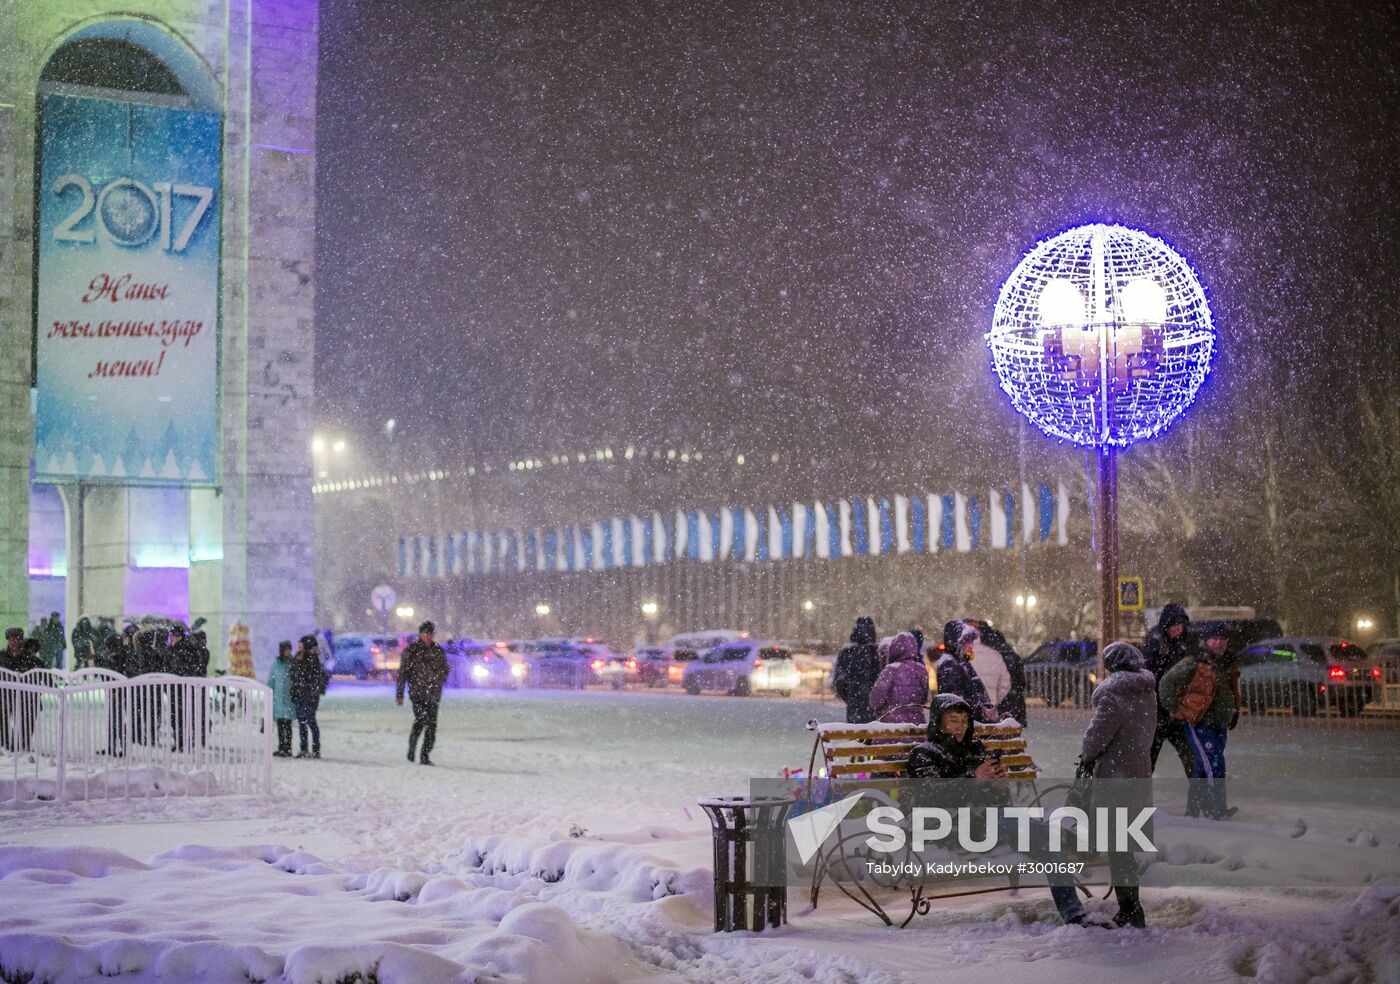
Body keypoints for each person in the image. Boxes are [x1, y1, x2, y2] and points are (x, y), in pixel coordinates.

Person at [909, 693, 1105, 926]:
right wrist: (973, 778)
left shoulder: (975, 749)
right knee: (1015, 822)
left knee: (1043, 842)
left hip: (989, 824)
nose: (960, 727)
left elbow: (996, 802)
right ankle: (1066, 838)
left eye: (963, 721)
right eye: (953, 720)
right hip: (949, 827)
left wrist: (999, 787)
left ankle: (1074, 914)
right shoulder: (923, 754)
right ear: (938, 722)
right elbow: (934, 796)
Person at [1079, 642, 1158, 928]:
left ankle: (1130, 909)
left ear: (1110, 665)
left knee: (1117, 844)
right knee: (1124, 842)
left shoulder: (1112, 693)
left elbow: (1096, 738)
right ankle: (1131, 905)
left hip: (1115, 774)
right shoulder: (1147, 690)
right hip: (1137, 772)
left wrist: (1087, 753)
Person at [1159, 622, 1240, 820]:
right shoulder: (1194, 661)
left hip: (1219, 723)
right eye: (1215, 638)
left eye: (1223, 639)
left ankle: (1192, 812)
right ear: (1207, 640)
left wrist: (1234, 712)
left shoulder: (1228, 663)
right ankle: (1218, 809)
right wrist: (1175, 710)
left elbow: (1232, 692)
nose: (1219, 643)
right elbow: (1166, 682)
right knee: (1214, 762)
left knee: (1203, 768)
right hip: (1199, 723)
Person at [1143, 603, 1195, 777]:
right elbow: (1149, 674)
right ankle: (1138, 799)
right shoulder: (1155, 641)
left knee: (1191, 757)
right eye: (1174, 626)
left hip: (1177, 712)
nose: (1177, 630)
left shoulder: (1185, 644)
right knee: (1148, 761)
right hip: (1157, 712)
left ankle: (1201, 799)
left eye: (1180, 626)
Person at [397, 620, 449, 765]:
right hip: (417, 693)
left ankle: (425, 755)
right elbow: (402, 673)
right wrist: (400, 694)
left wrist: (439, 680)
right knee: (422, 719)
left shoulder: (437, 650)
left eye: (430, 634)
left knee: (431, 726)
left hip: (433, 694)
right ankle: (412, 748)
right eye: (425, 633)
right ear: (420, 634)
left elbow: (445, 669)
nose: (428, 637)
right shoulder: (412, 650)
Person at [965, 619, 1028, 726]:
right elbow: (1019, 680)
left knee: (995, 739)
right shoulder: (999, 645)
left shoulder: (979, 650)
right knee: (1007, 738)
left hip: (997, 709)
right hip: (1010, 706)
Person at [935, 621, 996, 721]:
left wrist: (985, 706)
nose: (971, 645)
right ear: (956, 642)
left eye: (971, 641)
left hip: (966, 722)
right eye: (967, 641)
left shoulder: (962, 663)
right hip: (960, 723)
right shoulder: (949, 665)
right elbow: (956, 701)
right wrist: (980, 709)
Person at [868, 631, 929, 723]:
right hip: (916, 724)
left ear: (894, 648)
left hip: (891, 725)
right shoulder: (921, 669)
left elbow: (875, 700)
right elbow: (924, 698)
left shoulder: (890, 670)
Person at [1, 628, 45, 753]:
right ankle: (4, 744)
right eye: (11, 638)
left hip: (26, 696)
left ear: (21, 640)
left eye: (17, 638)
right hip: (5, 695)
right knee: (2, 719)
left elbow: (40, 670)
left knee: (27, 718)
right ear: (8, 640)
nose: (14, 641)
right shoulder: (2, 656)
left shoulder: (28, 657)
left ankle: (21, 744)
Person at [832, 616, 882, 724]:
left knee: (854, 737)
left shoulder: (846, 653)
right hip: (872, 707)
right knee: (872, 735)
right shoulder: (877, 653)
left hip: (854, 705)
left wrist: (850, 696)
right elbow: (882, 682)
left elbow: (839, 682)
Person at [290, 634, 329, 758]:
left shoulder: (313, 660)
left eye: (301, 645)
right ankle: (304, 748)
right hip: (301, 695)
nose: (299, 647)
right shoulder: (299, 658)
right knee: (302, 722)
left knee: (310, 721)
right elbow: (293, 673)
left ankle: (315, 749)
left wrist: (311, 691)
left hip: (309, 696)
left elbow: (314, 679)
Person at [96, 634, 131, 756]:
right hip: (115, 691)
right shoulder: (120, 654)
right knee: (115, 720)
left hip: (116, 692)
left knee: (117, 720)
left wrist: (116, 691)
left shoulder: (118, 656)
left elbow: (115, 673)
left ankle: (121, 748)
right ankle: (114, 746)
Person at [266, 641, 295, 757]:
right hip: (278, 698)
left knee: (287, 725)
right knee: (280, 724)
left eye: (289, 649)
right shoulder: (276, 664)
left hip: (288, 698)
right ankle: (281, 746)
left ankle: (288, 748)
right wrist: (269, 692)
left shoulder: (292, 663)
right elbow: (271, 680)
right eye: (286, 649)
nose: (288, 652)